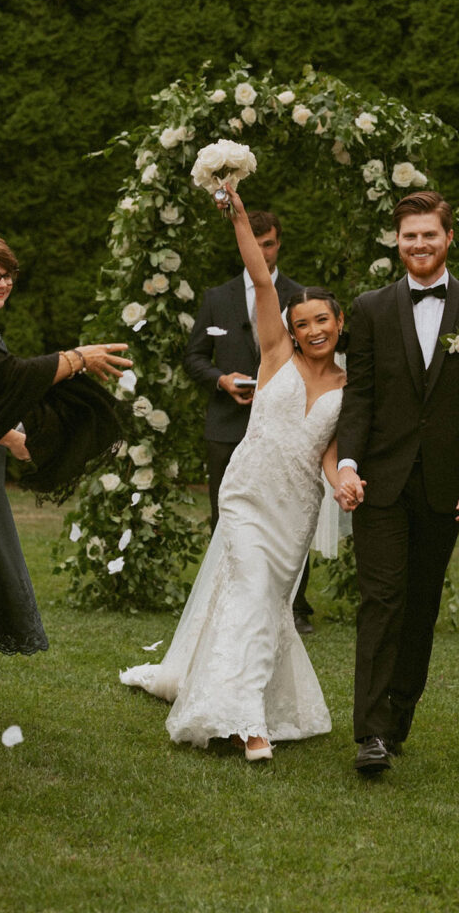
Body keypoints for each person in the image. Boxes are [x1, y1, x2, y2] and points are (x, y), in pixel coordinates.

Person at [120, 184, 346, 761]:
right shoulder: (274, 354)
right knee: (249, 592)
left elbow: (329, 448)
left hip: (296, 510)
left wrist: (342, 478)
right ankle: (248, 723)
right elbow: (263, 280)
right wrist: (239, 216)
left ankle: (263, 703)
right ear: (290, 328)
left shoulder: (352, 388)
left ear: (339, 322)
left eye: (324, 320)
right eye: (305, 322)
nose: (314, 330)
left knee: (268, 603)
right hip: (247, 495)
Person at [335, 190, 459, 774]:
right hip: (380, 481)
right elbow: (358, 393)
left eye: (428, 235)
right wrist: (348, 463)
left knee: (420, 604)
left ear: (448, 238)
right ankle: (371, 733)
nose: (418, 244)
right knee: (381, 599)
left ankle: (400, 714)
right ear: (397, 240)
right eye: (409, 235)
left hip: (445, 486)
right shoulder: (370, 308)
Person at [0, 230, 132, 720]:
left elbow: (1, 394)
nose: (2, 283)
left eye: (7, 274)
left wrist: (19, 432)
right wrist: (78, 359)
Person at [183, 209, 315, 634]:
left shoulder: (301, 296)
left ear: (279, 244)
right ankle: (228, 598)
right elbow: (193, 357)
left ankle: (294, 605)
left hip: (283, 425)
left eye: (269, 243)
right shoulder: (215, 298)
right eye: (255, 244)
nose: (262, 251)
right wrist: (221, 380)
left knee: (287, 509)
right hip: (227, 423)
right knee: (226, 512)